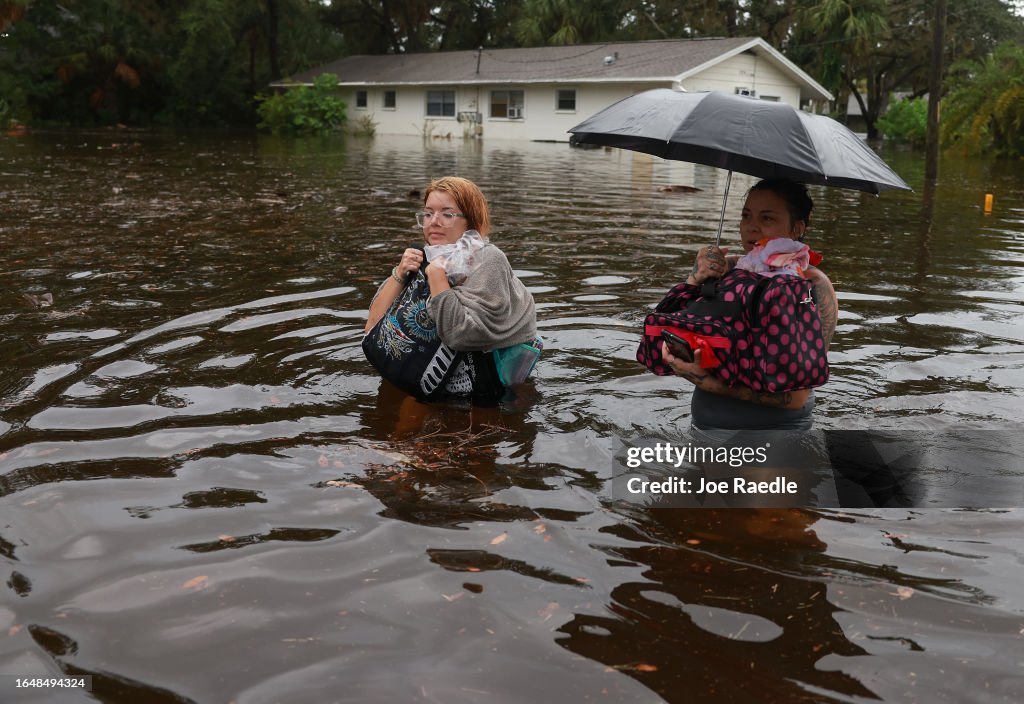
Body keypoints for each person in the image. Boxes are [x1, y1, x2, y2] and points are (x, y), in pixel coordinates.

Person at [660, 178, 838, 430]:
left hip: (774, 437)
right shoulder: (724, 268)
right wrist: (695, 278)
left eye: (766, 219)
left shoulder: (810, 285)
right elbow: (667, 326)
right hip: (704, 427)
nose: (751, 227)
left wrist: (708, 383)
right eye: (746, 216)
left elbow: (795, 397)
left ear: (797, 228)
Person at [364, 176, 537, 401]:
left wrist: (437, 278)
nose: (434, 221)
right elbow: (372, 328)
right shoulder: (425, 256)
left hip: (482, 396)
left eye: (447, 214)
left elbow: (463, 335)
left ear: (470, 220)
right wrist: (399, 273)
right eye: (428, 213)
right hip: (426, 380)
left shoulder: (487, 259)